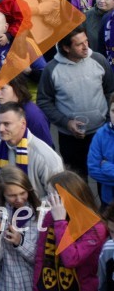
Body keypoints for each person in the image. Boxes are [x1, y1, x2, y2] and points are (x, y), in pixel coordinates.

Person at [38, 27, 114, 178]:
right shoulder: (51, 69)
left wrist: (106, 118)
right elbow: (44, 100)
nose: (86, 47)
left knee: (105, 174)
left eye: (86, 41)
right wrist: (66, 122)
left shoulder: (98, 60)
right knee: (77, 178)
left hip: (101, 133)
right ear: (66, 47)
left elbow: (109, 91)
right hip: (70, 137)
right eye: (79, 44)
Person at [33, 171, 107, 291]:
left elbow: (71, 259)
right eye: (48, 195)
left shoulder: (96, 228)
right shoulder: (50, 216)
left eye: (53, 196)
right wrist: (36, 284)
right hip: (49, 284)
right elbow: (41, 254)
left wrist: (60, 222)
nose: (48, 200)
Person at [0, 166, 41, 291]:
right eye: (12, 195)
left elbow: (41, 258)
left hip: (36, 283)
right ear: (2, 194)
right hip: (7, 284)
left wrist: (20, 242)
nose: (19, 199)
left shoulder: (39, 212)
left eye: (23, 193)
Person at [0, 102, 64, 200]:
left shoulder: (45, 156)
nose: (0, 129)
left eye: (6, 124)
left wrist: (30, 210)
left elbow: (57, 195)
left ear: (23, 123)